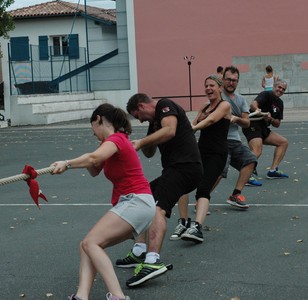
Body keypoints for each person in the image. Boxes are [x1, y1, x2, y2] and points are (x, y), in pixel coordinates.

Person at [50, 103, 155, 300]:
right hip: (135, 203)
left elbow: (93, 159)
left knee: (91, 242)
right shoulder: (111, 143)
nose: (94, 134)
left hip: (136, 201)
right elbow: (94, 168)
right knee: (87, 245)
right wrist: (90, 159)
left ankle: (118, 296)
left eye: (94, 130)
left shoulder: (117, 139)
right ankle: (82, 296)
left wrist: (68, 163)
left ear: (99, 119)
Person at [115, 93, 203, 287]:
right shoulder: (154, 123)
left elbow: (170, 131)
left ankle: (153, 260)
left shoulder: (165, 105)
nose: (140, 120)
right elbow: (148, 152)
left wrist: (142, 142)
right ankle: (139, 251)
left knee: (156, 208)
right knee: (144, 199)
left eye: (138, 116)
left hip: (186, 167)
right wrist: (136, 141)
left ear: (142, 106)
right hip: (173, 170)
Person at [171, 75, 231, 243]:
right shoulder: (204, 107)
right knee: (183, 184)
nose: (208, 88)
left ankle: (197, 228)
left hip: (217, 154)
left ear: (220, 88)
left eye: (212, 85)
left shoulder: (224, 105)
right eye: (206, 86)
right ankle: (183, 222)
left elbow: (212, 119)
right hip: (199, 152)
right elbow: (192, 126)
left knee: (203, 189)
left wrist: (196, 126)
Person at [216, 65, 259, 209]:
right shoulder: (218, 95)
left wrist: (236, 119)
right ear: (222, 80)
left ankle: (235, 194)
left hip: (235, 141)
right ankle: (202, 198)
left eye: (234, 80)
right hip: (219, 141)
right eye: (228, 79)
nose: (231, 83)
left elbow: (246, 123)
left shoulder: (241, 100)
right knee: (220, 171)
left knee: (251, 160)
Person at [243, 80, 289, 179]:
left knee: (283, 142)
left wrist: (271, 119)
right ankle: (246, 173)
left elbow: (277, 124)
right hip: (253, 124)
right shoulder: (266, 94)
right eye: (279, 87)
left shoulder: (280, 103)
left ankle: (273, 170)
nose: (280, 90)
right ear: (274, 86)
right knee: (257, 150)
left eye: (283, 89)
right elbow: (253, 104)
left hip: (263, 128)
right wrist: (258, 110)